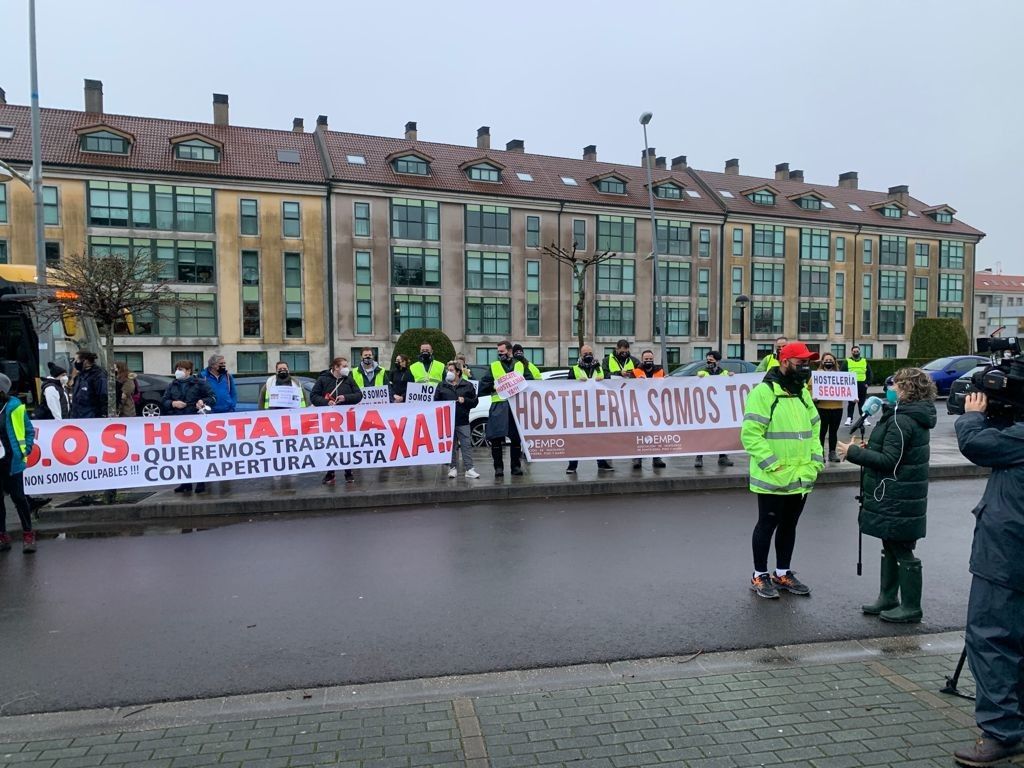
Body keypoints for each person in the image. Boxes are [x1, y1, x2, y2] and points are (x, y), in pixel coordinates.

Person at [951, 391, 1024, 767]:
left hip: (1006, 556)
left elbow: (976, 444)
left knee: (992, 639)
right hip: (1009, 554)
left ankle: (1001, 732)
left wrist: (972, 415)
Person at [837, 368, 937, 624]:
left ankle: (911, 606)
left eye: (896, 385)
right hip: (897, 493)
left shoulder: (902, 420)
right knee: (890, 544)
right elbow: (894, 452)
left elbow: (890, 461)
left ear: (907, 390)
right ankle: (888, 597)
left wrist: (853, 453)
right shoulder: (902, 416)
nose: (890, 389)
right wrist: (869, 448)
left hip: (897, 495)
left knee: (900, 548)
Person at [741, 341, 824, 599]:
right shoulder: (763, 393)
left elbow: (814, 430)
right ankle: (759, 575)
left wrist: (815, 461)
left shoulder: (802, 393)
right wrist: (772, 465)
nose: (805, 367)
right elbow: (751, 435)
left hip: (801, 476)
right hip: (773, 477)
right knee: (767, 524)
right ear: (785, 361)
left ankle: (782, 572)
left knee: (789, 525)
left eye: (808, 363)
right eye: (801, 363)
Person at [478, 340, 535, 478]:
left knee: (516, 439)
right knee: (496, 439)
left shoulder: (520, 365)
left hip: (516, 406)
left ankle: (516, 467)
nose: (500, 354)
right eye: (498, 352)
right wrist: (493, 387)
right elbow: (483, 385)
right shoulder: (494, 366)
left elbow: (531, 381)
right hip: (499, 405)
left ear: (510, 351)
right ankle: (498, 468)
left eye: (502, 352)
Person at [161, 360, 216, 494]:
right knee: (182, 455)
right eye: (177, 368)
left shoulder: (200, 383)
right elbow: (164, 401)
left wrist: (203, 402)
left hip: (196, 423)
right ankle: (185, 483)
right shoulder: (172, 385)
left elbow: (213, 398)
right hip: (178, 424)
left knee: (197, 454)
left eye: (181, 369)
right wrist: (173, 403)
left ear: (189, 371)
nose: (178, 371)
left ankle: (201, 482)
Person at [0, 373, 37, 554]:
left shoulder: (15, 407)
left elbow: (29, 431)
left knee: (18, 498)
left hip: (12, 461)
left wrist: (25, 450)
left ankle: (28, 534)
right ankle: (2, 536)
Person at [311, 357, 363, 485]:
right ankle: (330, 472)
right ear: (336, 367)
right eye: (344, 366)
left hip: (346, 419)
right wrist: (326, 402)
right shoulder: (323, 379)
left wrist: (345, 398)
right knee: (330, 445)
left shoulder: (349, 380)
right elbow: (314, 396)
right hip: (328, 420)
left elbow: (359, 395)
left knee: (347, 445)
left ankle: (348, 472)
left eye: (346, 365)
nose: (347, 368)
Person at [567, 345, 613, 474]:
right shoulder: (574, 369)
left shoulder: (600, 369)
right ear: (580, 355)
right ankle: (572, 465)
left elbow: (610, 383)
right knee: (576, 438)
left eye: (590, 352)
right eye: (585, 353)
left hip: (598, 409)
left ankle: (602, 463)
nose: (588, 355)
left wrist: (604, 379)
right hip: (579, 409)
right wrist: (576, 382)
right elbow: (566, 387)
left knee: (600, 437)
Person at [434, 360, 480, 479]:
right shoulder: (442, 385)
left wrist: (465, 400)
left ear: (458, 372)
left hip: (462, 420)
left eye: (451, 370)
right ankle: (452, 468)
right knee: (451, 446)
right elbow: (435, 402)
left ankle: (469, 469)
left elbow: (475, 402)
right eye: (447, 370)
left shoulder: (467, 385)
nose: (448, 372)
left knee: (466, 445)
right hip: (447, 421)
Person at [695, 351, 735, 469]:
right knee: (703, 433)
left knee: (721, 433)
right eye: (707, 360)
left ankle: (722, 457)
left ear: (717, 361)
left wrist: (732, 377)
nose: (709, 362)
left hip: (720, 408)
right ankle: (699, 456)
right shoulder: (702, 373)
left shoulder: (724, 373)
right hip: (705, 407)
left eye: (711, 360)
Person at [629, 350, 666, 469]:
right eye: (646, 359)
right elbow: (628, 387)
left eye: (650, 359)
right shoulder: (635, 372)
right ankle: (637, 458)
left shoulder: (660, 371)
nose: (648, 361)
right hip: (639, 406)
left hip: (655, 407)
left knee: (656, 433)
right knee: (638, 432)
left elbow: (666, 386)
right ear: (642, 359)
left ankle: (657, 458)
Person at [814, 353, 845, 463]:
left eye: (830, 359)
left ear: (834, 361)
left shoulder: (840, 375)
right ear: (822, 362)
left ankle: (832, 452)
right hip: (822, 407)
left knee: (833, 431)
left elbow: (847, 388)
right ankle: (820, 453)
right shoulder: (817, 374)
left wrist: (853, 397)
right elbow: (809, 388)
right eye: (826, 359)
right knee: (821, 432)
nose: (828, 361)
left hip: (837, 407)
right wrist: (813, 396)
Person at [70, 350, 107, 418]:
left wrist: (102, 415)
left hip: (91, 417)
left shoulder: (98, 375)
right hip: (78, 416)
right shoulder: (80, 375)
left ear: (85, 361)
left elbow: (103, 396)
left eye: (76, 360)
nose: (75, 363)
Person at [843, 346, 871, 426]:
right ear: (851, 352)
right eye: (854, 351)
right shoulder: (847, 361)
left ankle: (864, 419)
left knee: (862, 403)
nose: (856, 353)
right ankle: (849, 418)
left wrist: (868, 383)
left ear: (860, 352)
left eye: (857, 351)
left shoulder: (864, 361)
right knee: (851, 403)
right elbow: (842, 373)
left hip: (862, 385)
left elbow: (869, 373)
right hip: (851, 385)